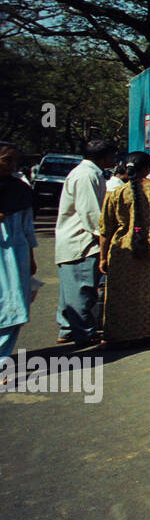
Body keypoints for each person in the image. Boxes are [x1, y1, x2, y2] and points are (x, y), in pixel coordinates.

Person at [99, 151, 150, 346]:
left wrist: (102, 257)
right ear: (149, 169)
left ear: (126, 168)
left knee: (124, 293)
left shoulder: (117, 193)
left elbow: (105, 229)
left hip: (124, 251)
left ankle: (122, 334)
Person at [54, 139, 116, 345]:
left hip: (75, 241)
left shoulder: (88, 173)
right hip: (81, 241)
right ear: (103, 156)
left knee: (71, 291)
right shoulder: (87, 175)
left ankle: (68, 329)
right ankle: (85, 334)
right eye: (111, 155)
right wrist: (105, 238)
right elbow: (91, 213)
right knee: (82, 290)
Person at [0, 142, 37, 360]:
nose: (12, 165)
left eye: (15, 161)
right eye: (6, 160)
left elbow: (27, 228)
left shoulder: (21, 190)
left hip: (16, 256)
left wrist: (31, 258)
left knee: (14, 307)